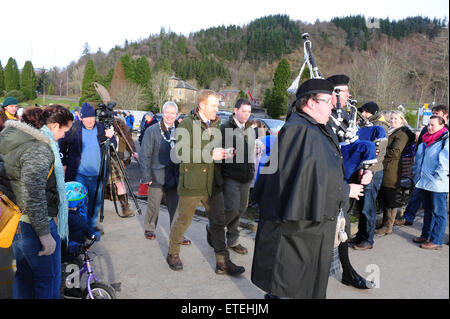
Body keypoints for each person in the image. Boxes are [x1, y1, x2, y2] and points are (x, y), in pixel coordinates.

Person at [251, 79, 370, 299]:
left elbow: (322, 170)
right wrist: (345, 191)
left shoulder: (314, 128)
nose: (333, 106)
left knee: (302, 284)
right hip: (298, 229)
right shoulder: (299, 130)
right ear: (310, 103)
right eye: (327, 101)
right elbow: (300, 183)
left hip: (310, 226)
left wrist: (359, 173)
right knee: (293, 285)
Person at [167, 89, 245, 276]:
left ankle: (222, 262)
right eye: (214, 105)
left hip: (213, 183)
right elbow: (179, 153)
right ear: (202, 105)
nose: (217, 108)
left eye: (218, 105)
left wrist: (224, 153)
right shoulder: (186, 123)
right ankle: (173, 254)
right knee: (183, 221)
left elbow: (213, 150)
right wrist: (209, 154)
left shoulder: (217, 123)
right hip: (192, 182)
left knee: (218, 222)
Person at [0, 105, 73, 298]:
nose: (64, 137)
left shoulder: (15, 138)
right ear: (55, 126)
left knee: (24, 277)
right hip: (32, 224)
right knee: (48, 280)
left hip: (15, 221)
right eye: (65, 131)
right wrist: (45, 235)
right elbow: (34, 194)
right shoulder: (39, 148)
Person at [325, 74, 375, 290]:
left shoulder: (344, 117)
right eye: (344, 92)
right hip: (328, 188)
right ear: (333, 94)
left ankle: (347, 272)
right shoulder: (324, 119)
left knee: (342, 229)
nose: (348, 95)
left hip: (344, 186)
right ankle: (281, 287)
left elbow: (352, 149)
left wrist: (365, 171)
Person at [59, 102, 115, 236]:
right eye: (86, 117)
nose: (90, 120)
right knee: (79, 204)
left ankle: (91, 226)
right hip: (79, 174)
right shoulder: (74, 129)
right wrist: (64, 162)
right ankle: (81, 228)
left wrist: (111, 137)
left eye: (92, 117)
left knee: (95, 203)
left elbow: (113, 146)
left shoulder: (102, 128)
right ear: (81, 117)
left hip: (98, 174)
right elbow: (61, 143)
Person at [140, 101, 190, 245]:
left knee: (176, 207)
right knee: (154, 204)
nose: (169, 116)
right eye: (167, 112)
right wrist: (146, 176)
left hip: (174, 175)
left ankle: (177, 233)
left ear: (176, 115)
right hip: (156, 175)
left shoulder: (181, 131)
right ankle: (150, 228)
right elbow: (144, 154)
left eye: (172, 113)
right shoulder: (152, 130)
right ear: (163, 113)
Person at [395, 105, 449, 226]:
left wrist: (440, 176)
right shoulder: (427, 130)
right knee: (416, 195)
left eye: (438, 113)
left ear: (445, 116)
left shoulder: (446, 134)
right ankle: (409, 218)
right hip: (423, 171)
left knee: (437, 208)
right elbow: (420, 147)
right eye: (433, 112)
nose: (435, 115)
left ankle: (434, 235)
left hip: (438, 177)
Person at [349, 102, 388, 250]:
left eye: (365, 112)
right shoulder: (364, 126)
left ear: (373, 113)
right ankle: (360, 235)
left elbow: (378, 154)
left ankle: (367, 240)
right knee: (361, 206)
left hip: (372, 172)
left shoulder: (379, 128)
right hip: (361, 170)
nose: (362, 114)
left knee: (368, 207)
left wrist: (369, 170)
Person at [220, 98, 254, 255]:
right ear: (235, 110)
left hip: (246, 177)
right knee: (232, 208)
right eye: (244, 111)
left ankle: (233, 240)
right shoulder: (225, 128)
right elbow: (219, 153)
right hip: (231, 176)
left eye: (249, 111)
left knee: (241, 209)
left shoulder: (249, 129)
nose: (247, 115)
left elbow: (250, 153)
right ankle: (215, 228)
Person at [411, 115, 448, 249]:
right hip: (424, 181)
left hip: (438, 184)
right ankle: (425, 235)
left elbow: (446, 162)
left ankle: (436, 241)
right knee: (428, 211)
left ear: (442, 126)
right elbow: (419, 161)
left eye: (433, 125)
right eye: (428, 125)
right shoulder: (425, 141)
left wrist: (437, 177)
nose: (429, 127)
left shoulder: (445, 140)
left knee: (439, 213)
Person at [376, 110, 415, 235]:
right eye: (391, 118)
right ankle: (384, 224)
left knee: (390, 197)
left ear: (402, 120)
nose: (392, 121)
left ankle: (388, 226)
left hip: (392, 169)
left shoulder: (402, 133)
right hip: (386, 167)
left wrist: (380, 151)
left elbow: (396, 151)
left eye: (395, 119)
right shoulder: (392, 131)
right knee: (385, 196)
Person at [104, 115, 138, 217]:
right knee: (103, 184)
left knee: (119, 184)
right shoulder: (107, 131)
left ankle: (125, 207)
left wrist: (133, 153)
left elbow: (129, 145)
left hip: (117, 161)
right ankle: (125, 207)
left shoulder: (122, 134)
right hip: (107, 159)